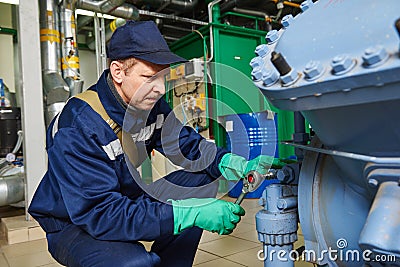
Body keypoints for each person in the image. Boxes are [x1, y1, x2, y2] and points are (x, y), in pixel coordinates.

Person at [28, 20, 273, 267]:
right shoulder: (78, 125)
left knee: (202, 177)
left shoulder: (149, 104)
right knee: (133, 262)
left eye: (163, 77)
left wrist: (224, 161)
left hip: (125, 198)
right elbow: (101, 213)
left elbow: (185, 144)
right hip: (76, 219)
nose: (159, 89)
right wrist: (185, 214)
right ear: (118, 72)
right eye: (148, 77)